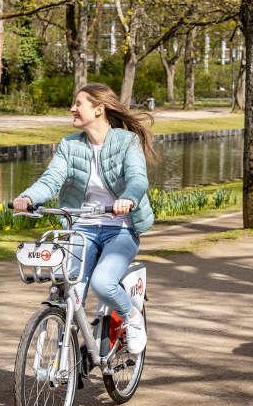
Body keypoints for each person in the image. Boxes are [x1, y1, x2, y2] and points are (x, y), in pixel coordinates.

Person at [11, 83, 156, 354]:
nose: (72, 108)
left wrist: (128, 199)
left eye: (79, 103)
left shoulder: (126, 142)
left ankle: (132, 317)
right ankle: (67, 354)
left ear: (98, 109)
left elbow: (137, 179)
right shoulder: (69, 145)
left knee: (103, 282)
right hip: (82, 228)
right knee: (70, 289)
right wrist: (29, 198)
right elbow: (51, 180)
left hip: (120, 228)